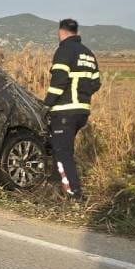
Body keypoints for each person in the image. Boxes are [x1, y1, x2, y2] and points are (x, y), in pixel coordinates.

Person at [44, 18, 101, 200]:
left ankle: (73, 195)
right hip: (82, 111)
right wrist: (82, 95)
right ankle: (53, 191)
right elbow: (96, 83)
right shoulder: (88, 53)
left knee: (62, 154)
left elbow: (58, 82)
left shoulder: (64, 50)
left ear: (61, 32)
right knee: (61, 149)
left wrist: (46, 105)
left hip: (65, 111)